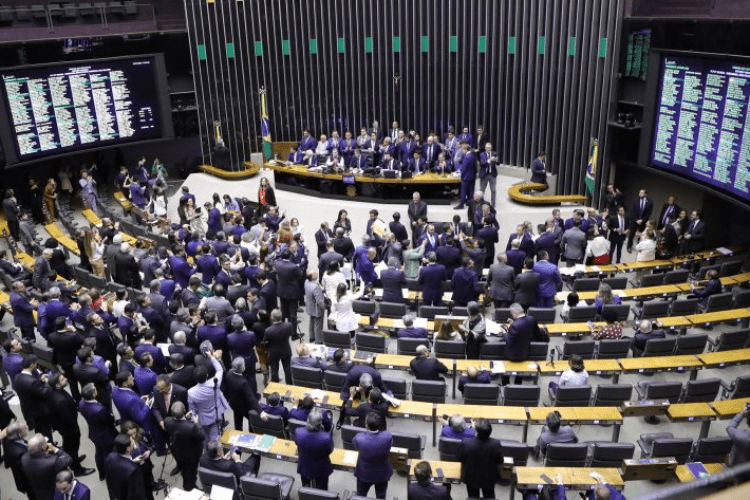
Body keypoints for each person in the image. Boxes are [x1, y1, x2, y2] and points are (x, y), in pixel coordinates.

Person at [46, 372, 95, 476]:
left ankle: (72, 461)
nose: (66, 379)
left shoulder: (52, 392)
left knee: (68, 446)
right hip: (69, 429)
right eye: (63, 380)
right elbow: (68, 418)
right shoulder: (61, 401)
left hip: (62, 427)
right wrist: (75, 429)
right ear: (57, 385)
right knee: (73, 447)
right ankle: (77, 469)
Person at [187, 346, 229, 442]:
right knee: (216, 438)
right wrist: (211, 357)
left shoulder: (191, 392)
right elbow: (219, 370)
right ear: (206, 375)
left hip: (202, 419)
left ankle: (208, 451)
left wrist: (193, 414)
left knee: (205, 438)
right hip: (216, 415)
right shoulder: (214, 383)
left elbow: (192, 407)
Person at [163, 401, 205, 491]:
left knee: (184, 470)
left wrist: (185, 418)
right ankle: (190, 488)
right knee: (191, 473)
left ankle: (187, 484)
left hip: (177, 451)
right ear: (184, 410)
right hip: (191, 454)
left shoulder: (167, 421)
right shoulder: (192, 427)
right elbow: (202, 437)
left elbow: (178, 425)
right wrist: (197, 423)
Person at [458, 418, 503, 498]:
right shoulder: (496, 444)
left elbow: (459, 458)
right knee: (489, 496)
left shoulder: (466, 442)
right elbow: (500, 461)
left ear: (477, 431)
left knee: (473, 496)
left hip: (471, 476)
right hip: (489, 477)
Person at [21, 433, 74, 500]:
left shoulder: (24, 458)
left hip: (39, 491)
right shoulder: (51, 462)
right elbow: (68, 459)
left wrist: (45, 452)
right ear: (43, 447)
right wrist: (55, 449)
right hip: (53, 492)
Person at [353, 412, 393, 499]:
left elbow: (356, 446)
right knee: (381, 496)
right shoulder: (388, 436)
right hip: (382, 473)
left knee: (360, 495)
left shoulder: (359, 438)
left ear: (366, 425)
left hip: (364, 473)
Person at [294, 410, 335, 490]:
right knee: (322, 490)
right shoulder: (326, 437)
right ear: (319, 424)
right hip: (321, 468)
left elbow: (297, 443)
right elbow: (330, 450)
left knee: (305, 487)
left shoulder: (298, 432)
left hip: (304, 465)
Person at [105, 433, 147, 500]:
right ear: (128, 448)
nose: (134, 441)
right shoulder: (134, 470)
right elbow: (138, 494)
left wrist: (131, 461)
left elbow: (109, 480)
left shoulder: (110, 457)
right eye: (132, 441)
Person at [264, 309, 294, 383]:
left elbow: (265, 341)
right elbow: (290, 334)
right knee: (288, 370)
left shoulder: (268, 330)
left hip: (274, 352)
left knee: (274, 371)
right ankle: (289, 385)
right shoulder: (288, 325)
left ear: (272, 318)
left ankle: (276, 387)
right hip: (285, 350)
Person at [479, 142, 499, 206]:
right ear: (485, 148)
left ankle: (493, 203)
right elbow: (482, 164)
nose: (488, 149)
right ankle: (481, 202)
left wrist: (496, 160)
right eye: (487, 147)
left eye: (489, 147)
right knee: (482, 190)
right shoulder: (482, 154)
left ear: (491, 148)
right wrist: (489, 160)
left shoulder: (494, 154)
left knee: (493, 190)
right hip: (484, 174)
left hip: (492, 174)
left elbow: (498, 163)